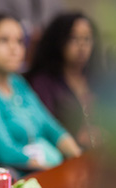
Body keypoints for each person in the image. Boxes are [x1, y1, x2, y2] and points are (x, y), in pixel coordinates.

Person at [0, 12, 81, 174]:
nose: (14, 48)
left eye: (20, 41)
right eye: (3, 40)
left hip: (46, 166)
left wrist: (77, 157)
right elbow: (4, 150)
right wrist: (56, 170)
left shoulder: (17, 82)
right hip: (17, 175)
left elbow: (50, 126)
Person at [26, 12, 100, 149]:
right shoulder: (44, 82)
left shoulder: (98, 78)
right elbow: (43, 126)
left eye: (87, 38)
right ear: (59, 41)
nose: (82, 45)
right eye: (73, 38)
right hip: (62, 154)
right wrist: (76, 135)